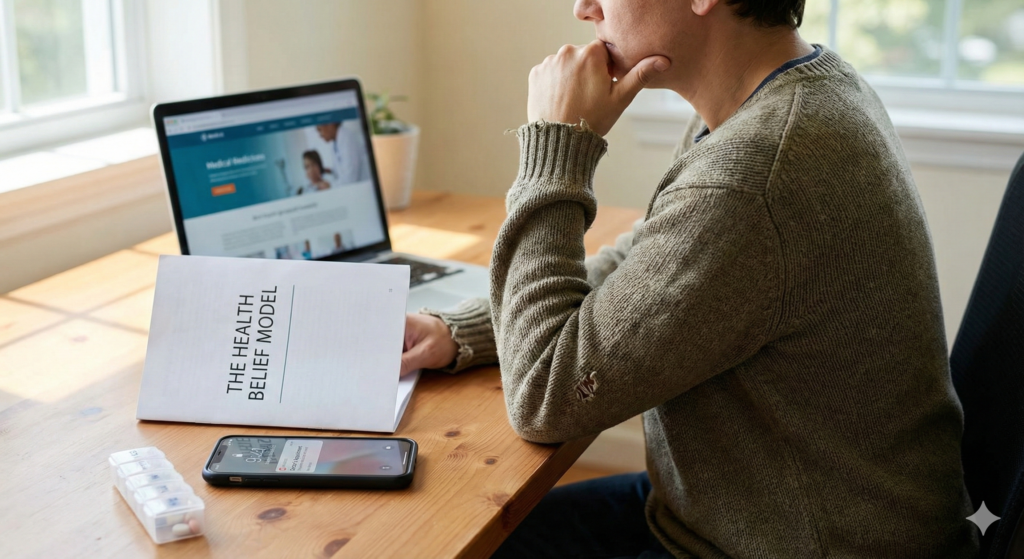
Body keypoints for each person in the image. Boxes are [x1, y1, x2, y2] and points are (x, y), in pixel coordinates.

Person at [402, 0, 977, 557]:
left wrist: (557, 148)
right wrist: (464, 331)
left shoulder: (757, 171)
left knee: (438, 536)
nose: (583, 8)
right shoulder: (791, 92)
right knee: (451, 539)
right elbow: (648, 260)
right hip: (724, 520)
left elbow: (543, 397)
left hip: (782, 544)